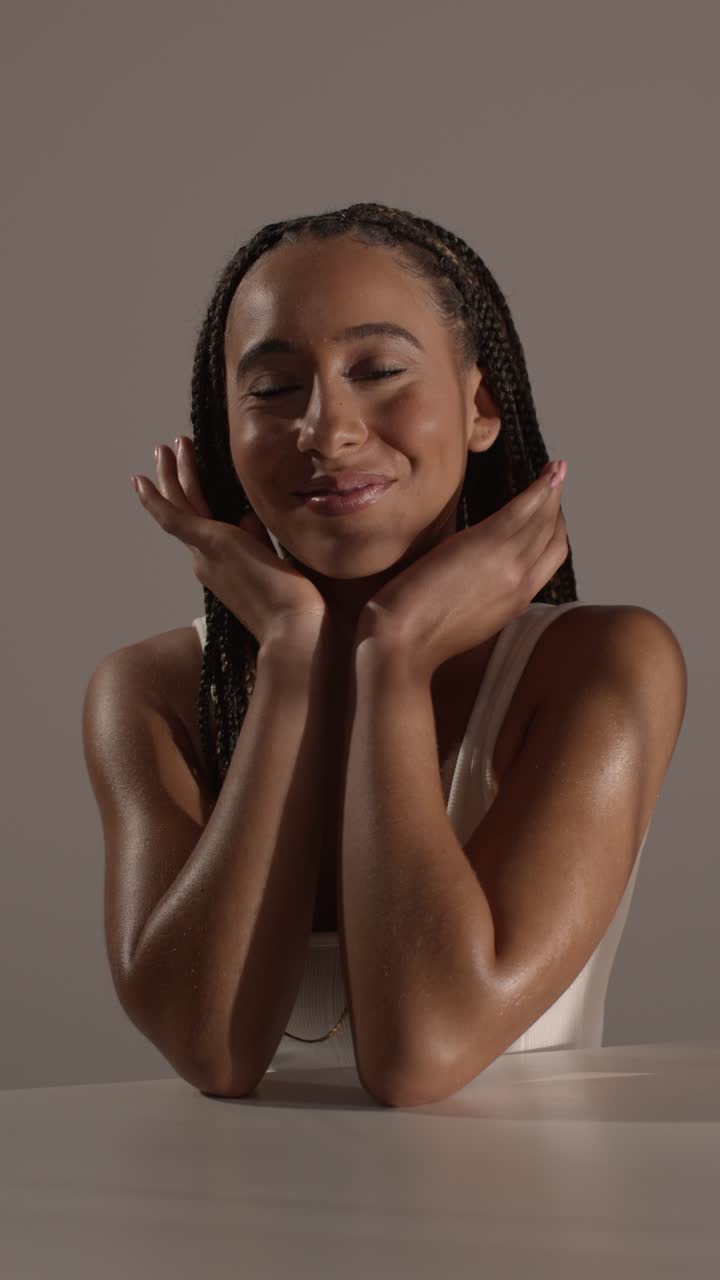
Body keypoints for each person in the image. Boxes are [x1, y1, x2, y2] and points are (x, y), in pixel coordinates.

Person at [82, 202, 687, 1107]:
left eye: (377, 370)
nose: (327, 431)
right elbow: (211, 1051)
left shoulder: (599, 666)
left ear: (481, 406)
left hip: (516, 1241)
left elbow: (422, 1052)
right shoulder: (152, 693)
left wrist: (393, 656)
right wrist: (290, 652)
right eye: (275, 388)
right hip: (223, 1237)